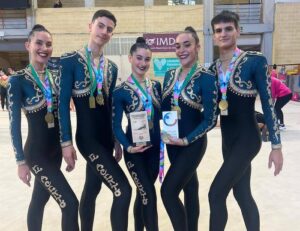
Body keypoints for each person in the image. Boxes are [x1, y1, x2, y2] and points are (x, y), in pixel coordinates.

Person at [208, 10, 283, 231]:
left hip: (248, 138)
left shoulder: (254, 60)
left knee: (216, 193)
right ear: (213, 36)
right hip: (227, 140)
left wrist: (276, 146)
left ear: (238, 31)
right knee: (242, 193)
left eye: (228, 28)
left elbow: (269, 103)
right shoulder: (212, 69)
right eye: (218, 30)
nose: (223, 34)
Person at [58, 9, 131, 231]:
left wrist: (117, 139)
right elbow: (61, 104)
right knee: (123, 190)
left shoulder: (111, 67)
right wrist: (66, 143)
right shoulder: (70, 61)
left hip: (106, 140)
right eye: (101, 26)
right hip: (88, 139)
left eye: (109, 29)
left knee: (92, 189)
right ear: (90, 26)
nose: (104, 32)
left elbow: (110, 108)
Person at [7, 24, 79, 231]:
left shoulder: (56, 77)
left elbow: (64, 114)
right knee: (70, 203)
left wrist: (68, 145)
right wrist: (21, 161)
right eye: (39, 43)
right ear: (27, 45)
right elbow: (14, 124)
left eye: (49, 44)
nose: (44, 48)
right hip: (36, 154)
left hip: (56, 152)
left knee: (39, 201)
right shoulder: (17, 81)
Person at [160, 26, 218, 231]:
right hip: (171, 143)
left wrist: (186, 140)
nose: (181, 50)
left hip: (191, 144)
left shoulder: (207, 77)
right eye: (178, 46)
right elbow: (163, 107)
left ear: (197, 47)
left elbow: (210, 119)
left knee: (168, 192)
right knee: (190, 188)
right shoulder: (169, 75)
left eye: (187, 45)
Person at [112, 37, 161, 231]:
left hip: (155, 150)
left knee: (143, 195)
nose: (143, 63)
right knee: (148, 193)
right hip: (135, 152)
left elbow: (164, 117)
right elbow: (115, 126)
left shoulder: (156, 86)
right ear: (130, 58)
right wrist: (128, 146)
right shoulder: (120, 91)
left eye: (147, 59)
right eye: (139, 58)